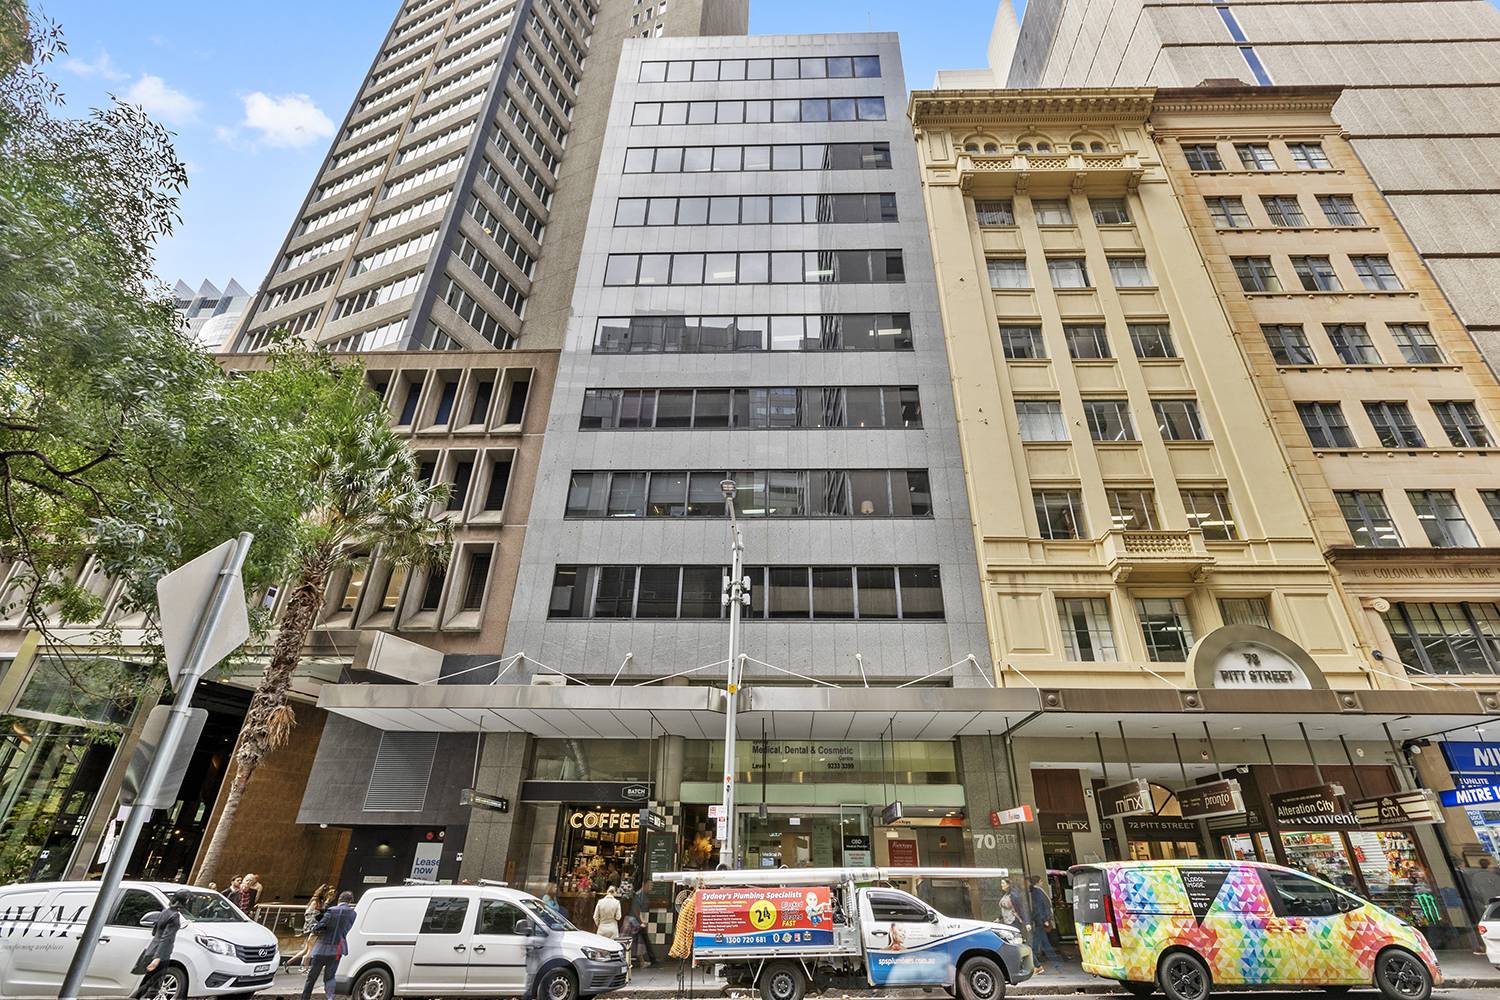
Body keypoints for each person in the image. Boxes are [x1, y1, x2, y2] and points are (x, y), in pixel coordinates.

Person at [131, 890, 187, 999]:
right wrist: (157, 958)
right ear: (184, 901)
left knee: (148, 983)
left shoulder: (165, 912)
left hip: (152, 949)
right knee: (154, 986)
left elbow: (154, 932)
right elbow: (166, 938)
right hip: (162, 954)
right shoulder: (175, 916)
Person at [302, 890, 357, 1000]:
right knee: (330, 977)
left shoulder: (331, 911)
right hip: (338, 949)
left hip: (322, 948)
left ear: (339, 899)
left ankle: (305, 998)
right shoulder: (353, 914)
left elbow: (318, 927)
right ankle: (330, 998)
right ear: (350, 901)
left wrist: (316, 925)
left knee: (312, 977)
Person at [288, 885, 332, 972]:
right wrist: (314, 927)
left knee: (306, 950)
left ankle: (288, 963)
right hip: (314, 929)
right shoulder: (315, 902)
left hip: (313, 928)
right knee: (310, 950)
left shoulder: (319, 902)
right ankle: (305, 967)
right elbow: (308, 915)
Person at [1028, 876, 1062, 973]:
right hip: (1040, 921)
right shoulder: (1038, 891)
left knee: (1037, 945)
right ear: (1038, 882)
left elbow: (1039, 906)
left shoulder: (1036, 891)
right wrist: (1045, 919)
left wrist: (1044, 919)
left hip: (1039, 921)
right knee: (1045, 944)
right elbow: (1042, 906)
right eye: (1041, 881)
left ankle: (1037, 965)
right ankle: (1056, 964)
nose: (1042, 882)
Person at [627, 879, 657, 968]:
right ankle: (647, 960)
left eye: (652, 886)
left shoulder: (644, 895)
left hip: (638, 921)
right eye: (650, 885)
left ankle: (650, 959)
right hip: (635, 922)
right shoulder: (639, 895)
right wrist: (641, 922)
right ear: (644, 884)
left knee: (643, 940)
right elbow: (636, 910)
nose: (651, 887)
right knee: (639, 941)